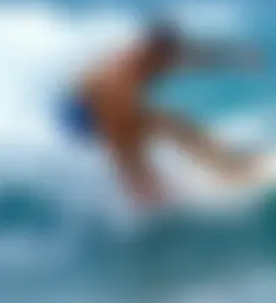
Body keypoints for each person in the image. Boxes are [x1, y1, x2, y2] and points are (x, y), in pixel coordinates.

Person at [58, 22, 262, 209]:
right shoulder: (119, 82)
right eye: (167, 58)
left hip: (98, 98)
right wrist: (148, 194)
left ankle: (228, 165)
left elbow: (192, 58)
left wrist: (238, 58)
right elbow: (120, 145)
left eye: (171, 56)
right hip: (83, 114)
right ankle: (153, 192)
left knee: (173, 124)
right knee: (150, 132)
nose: (171, 64)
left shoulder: (157, 57)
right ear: (152, 54)